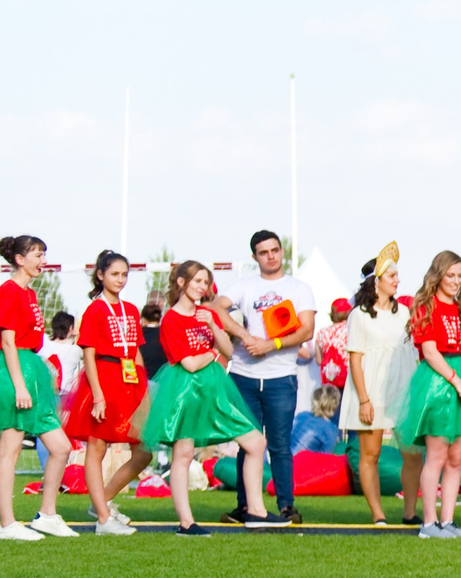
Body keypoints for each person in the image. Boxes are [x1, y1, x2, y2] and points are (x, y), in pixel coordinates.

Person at [137, 261, 260, 536]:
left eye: (205, 282)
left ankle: (256, 511)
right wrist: (212, 354)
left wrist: (215, 333)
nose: (202, 287)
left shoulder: (206, 313)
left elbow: (228, 348)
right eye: (197, 281)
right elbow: (190, 364)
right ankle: (186, 522)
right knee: (182, 454)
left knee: (255, 441)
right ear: (181, 282)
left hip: (213, 388)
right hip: (184, 390)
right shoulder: (171, 319)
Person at [0, 235, 76, 540]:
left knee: (61, 447)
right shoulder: (9, 291)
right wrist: (20, 386)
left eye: (44, 254)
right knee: (10, 448)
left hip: (28, 367)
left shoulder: (29, 294)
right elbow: (7, 341)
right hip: (10, 372)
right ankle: (7, 524)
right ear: (19, 259)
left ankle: (47, 514)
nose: (43, 260)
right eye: (37, 254)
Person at [218, 229, 315, 526]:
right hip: (244, 375)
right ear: (254, 257)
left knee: (280, 445)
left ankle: (287, 505)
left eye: (274, 250)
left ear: (282, 251)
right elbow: (216, 309)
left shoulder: (299, 288)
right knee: (246, 443)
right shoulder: (244, 286)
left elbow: (307, 329)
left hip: (281, 376)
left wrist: (269, 344)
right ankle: (245, 506)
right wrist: (245, 336)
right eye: (263, 252)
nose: (270, 256)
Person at [63, 251, 153, 533]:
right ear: (100, 275)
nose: (120, 280)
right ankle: (103, 518)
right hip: (102, 379)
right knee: (97, 447)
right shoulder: (94, 310)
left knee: (144, 451)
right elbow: (89, 355)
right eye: (115, 274)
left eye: (125, 274)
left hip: (129, 381)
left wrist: (143, 387)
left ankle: (103, 500)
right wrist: (98, 396)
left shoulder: (130, 309)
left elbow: (136, 351)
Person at [396, 250, 461, 539]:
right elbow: (430, 352)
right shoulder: (426, 307)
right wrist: (457, 382)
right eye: (451, 275)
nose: (456, 281)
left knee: (457, 456)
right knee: (437, 454)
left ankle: (448, 521)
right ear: (439, 275)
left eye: (460, 276)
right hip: (437, 385)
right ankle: (429, 523)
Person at [339, 246, 410, 530]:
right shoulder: (359, 315)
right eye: (392, 275)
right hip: (371, 390)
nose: (397, 280)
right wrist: (364, 399)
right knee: (370, 454)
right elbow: (355, 358)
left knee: (412, 453)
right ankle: (378, 513)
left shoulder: (403, 312)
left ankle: (409, 512)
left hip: (401, 388)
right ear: (376, 279)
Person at [40, 309, 78, 398]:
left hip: (42, 391)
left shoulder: (42, 342)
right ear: (70, 328)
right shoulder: (76, 350)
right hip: (65, 395)